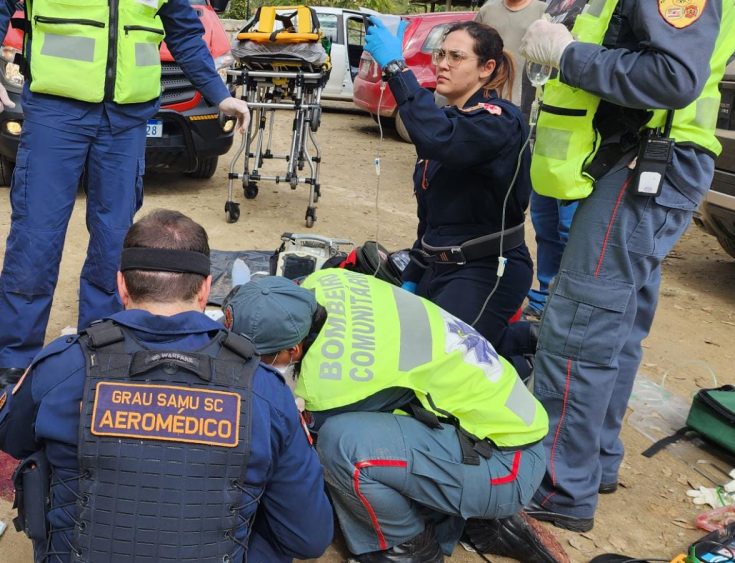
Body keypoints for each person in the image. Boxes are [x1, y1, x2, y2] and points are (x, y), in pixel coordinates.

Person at [518, 0, 735, 532]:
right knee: (614, 327)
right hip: (645, 161)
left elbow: (672, 76)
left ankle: (555, 485)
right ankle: (591, 461)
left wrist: (569, 55)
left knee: (580, 327)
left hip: (647, 160)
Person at [0, 209, 333, 562]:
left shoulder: (63, 365)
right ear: (205, 290)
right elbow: (308, 538)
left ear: (121, 285)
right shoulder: (266, 391)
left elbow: (12, 436)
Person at [222, 269, 567, 563]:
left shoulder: (326, 383)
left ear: (293, 350)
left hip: (506, 464)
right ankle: (454, 511)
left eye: (261, 357)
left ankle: (408, 546)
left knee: (339, 446)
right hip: (505, 421)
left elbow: (296, 452)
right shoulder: (325, 280)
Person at [0, 1, 251, 383]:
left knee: (114, 241)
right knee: (36, 237)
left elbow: (184, 32)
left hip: (126, 118)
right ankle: (14, 361)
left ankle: (100, 351)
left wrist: (219, 94)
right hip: (56, 110)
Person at [363, 18, 535, 360]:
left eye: (456, 56)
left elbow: (438, 138)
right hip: (438, 267)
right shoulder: (454, 118)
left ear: (486, 68)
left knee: (441, 360)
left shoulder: (500, 121)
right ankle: (509, 339)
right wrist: (414, 272)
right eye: (440, 54)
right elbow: (432, 218)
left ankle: (529, 345)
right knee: (399, 344)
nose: (442, 64)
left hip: (486, 269)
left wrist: (397, 68)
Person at [473, 0, 578, 323]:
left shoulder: (590, 10)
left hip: (576, 141)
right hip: (540, 128)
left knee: (570, 229)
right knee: (544, 223)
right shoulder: (557, 6)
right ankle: (545, 294)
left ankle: (566, 304)